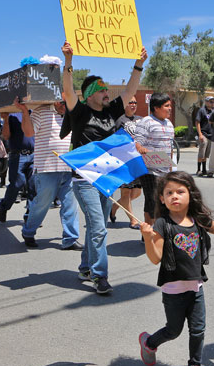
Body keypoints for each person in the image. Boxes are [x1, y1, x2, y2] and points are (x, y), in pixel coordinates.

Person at [138, 171, 214, 366]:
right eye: (169, 193)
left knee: (198, 329)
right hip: (173, 289)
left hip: (195, 287)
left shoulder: (199, 220)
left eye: (180, 191)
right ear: (161, 198)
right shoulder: (161, 224)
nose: (174, 196)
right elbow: (155, 258)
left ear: (190, 195)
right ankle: (149, 342)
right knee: (173, 331)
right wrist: (148, 238)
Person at [62, 40, 147, 295]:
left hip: (106, 178)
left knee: (96, 226)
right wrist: (68, 62)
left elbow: (131, 90)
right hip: (84, 179)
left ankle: (86, 267)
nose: (106, 92)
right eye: (100, 90)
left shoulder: (112, 111)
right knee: (98, 227)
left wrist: (138, 66)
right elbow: (68, 91)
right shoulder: (79, 113)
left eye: (106, 89)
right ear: (89, 95)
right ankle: (100, 276)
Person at [18, 99, 80, 250]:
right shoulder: (41, 111)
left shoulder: (71, 114)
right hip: (46, 168)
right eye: (64, 103)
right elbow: (28, 132)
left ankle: (70, 239)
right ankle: (28, 232)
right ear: (57, 101)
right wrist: (25, 112)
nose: (66, 106)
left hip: (68, 168)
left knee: (70, 205)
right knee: (42, 204)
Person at [134, 93, 175, 226]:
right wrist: (147, 151)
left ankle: (154, 231)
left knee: (161, 201)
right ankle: (152, 233)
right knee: (153, 201)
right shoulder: (146, 122)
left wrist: (170, 169)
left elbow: (171, 146)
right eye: (166, 106)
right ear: (156, 108)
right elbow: (136, 144)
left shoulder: (169, 123)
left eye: (170, 106)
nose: (170, 108)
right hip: (149, 170)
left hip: (165, 170)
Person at [0, 109, 35, 223]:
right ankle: (4, 206)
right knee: (17, 184)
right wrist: (6, 119)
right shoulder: (12, 113)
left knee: (34, 186)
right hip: (18, 155)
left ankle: (30, 215)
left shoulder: (34, 112)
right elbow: (6, 136)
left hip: (34, 154)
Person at [110, 98, 142, 228]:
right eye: (130, 102)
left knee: (137, 192)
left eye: (135, 102)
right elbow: (114, 140)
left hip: (138, 161)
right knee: (126, 192)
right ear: (125, 105)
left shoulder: (141, 119)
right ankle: (133, 220)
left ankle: (114, 207)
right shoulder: (120, 121)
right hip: (124, 161)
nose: (133, 104)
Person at [194, 96, 214, 176]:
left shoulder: (213, 111)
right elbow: (197, 122)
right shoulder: (202, 110)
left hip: (210, 135)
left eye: (213, 102)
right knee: (202, 152)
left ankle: (204, 169)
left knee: (206, 153)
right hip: (203, 134)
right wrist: (200, 134)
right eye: (210, 101)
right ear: (206, 102)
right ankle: (198, 169)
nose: (212, 103)